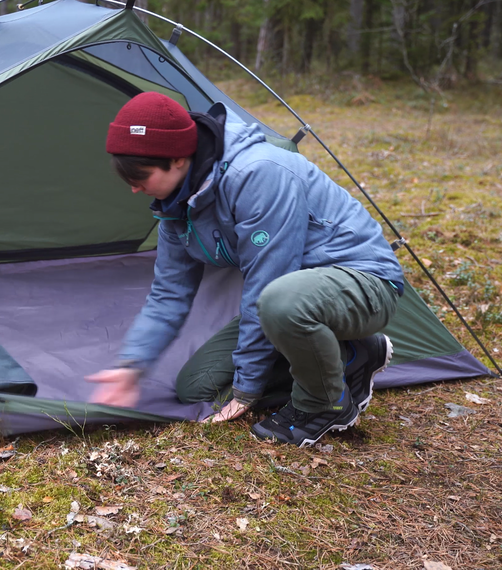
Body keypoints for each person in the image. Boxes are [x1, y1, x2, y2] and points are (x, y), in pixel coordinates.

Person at [85, 92, 405, 446]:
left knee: (280, 302)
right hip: (290, 299)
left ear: (177, 159)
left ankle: (323, 404)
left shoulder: (257, 173)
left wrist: (247, 388)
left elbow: (268, 280)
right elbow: (168, 295)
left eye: (140, 175)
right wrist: (132, 365)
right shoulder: (175, 206)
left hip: (363, 284)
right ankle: (353, 354)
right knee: (197, 387)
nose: (133, 187)